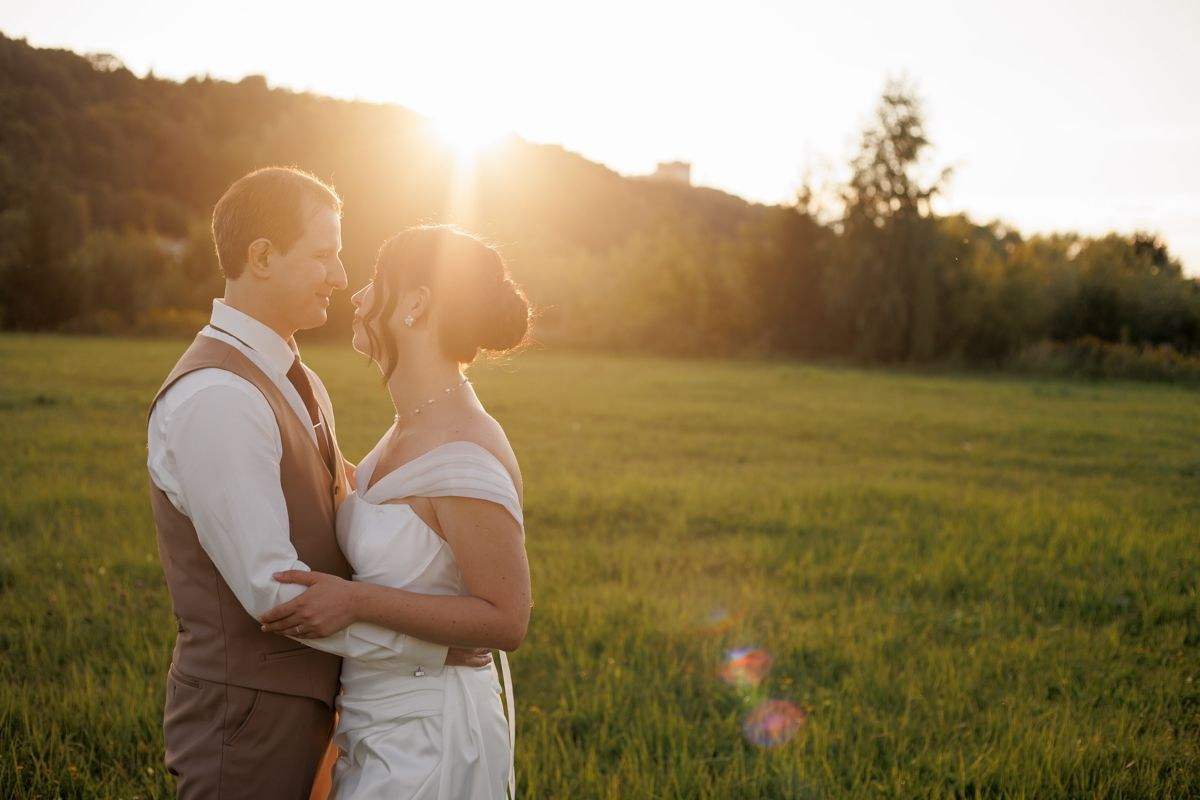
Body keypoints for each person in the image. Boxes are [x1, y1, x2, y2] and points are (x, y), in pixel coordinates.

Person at [147, 168, 488, 799]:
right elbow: (275, 592)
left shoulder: (293, 377)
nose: (339, 275)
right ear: (262, 257)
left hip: (315, 701)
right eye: (324, 254)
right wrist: (431, 651)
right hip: (247, 717)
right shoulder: (219, 397)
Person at [258, 225, 533, 799]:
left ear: (416, 304)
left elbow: (507, 619)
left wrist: (354, 601)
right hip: (375, 717)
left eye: (376, 281)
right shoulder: (410, 425)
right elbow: (384, 509)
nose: (357, 296)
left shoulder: (464, 451)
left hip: (432, 736)